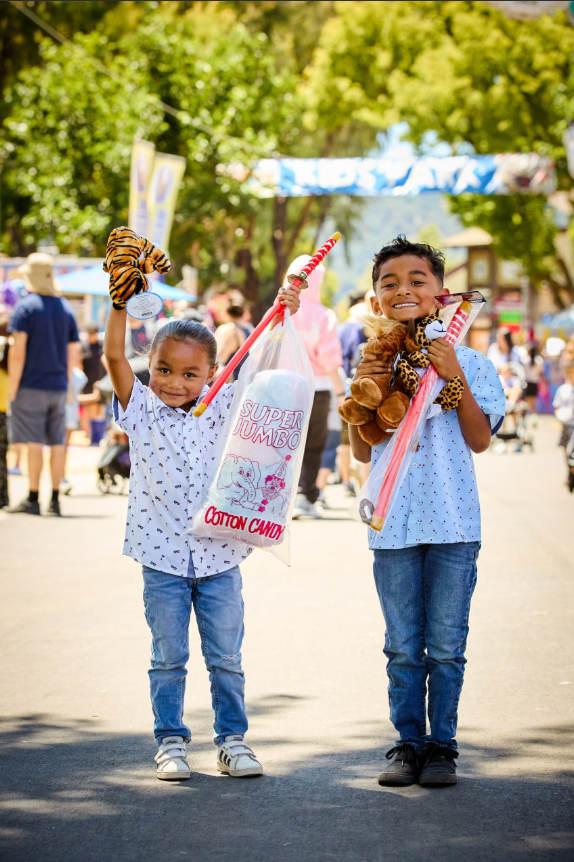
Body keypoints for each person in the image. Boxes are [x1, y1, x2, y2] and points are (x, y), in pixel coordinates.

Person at [104, 279, 301, 781]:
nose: (175, 381)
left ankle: (232, 742)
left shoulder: (226, 407)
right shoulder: (142, 409)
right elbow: (112, 358)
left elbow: (264, 363)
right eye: (164, 369)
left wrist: (283, 311)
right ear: (150, 367)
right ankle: (169, 742)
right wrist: (118, 304)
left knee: (226, 658)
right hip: (162, 560)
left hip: (220, 559)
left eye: (191, 373)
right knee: (167, 658)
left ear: (213, 373)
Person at [350, 235, 505, 787]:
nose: (404, 290)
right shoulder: (376, 361)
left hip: (454, 524)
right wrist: (364, 395)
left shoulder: (474, 363)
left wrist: (452, 372)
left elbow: (481, 439)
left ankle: (442, 746)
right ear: (376, 301)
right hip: (390, 522)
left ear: (442, 294)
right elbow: (361, 450)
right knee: (401, 645)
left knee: (444, 644)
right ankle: (406, 743)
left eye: (418, 280)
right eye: (389, 283)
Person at [7, 253, 80, 516]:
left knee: (34, 443)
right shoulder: (65, 308)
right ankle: (56, 499)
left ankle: (34, 498)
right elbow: (73, 351)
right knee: (58, 442)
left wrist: (13, 388)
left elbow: (18, 352)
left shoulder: (26, 307)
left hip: (30, 384)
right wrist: (68, 383)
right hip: (59, 385)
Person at [286, 254, 345, 519]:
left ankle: (282, 496)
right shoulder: (324, 315)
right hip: (318, 386)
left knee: (285, 441)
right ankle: (305, 496)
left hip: (283, 384)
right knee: (314, 442)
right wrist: (341, 391)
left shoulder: (282, 309)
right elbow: (329, 358)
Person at [214, 295, 252, 380]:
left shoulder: (228, 331)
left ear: (226, 311)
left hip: (229, 387)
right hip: (241, 383)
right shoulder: (249, 329)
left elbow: (218, 363)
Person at [553, 362, 574, 465]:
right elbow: (557, 406)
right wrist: (560, 416)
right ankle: (569, 471)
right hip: (567, 423)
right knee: (566, 448)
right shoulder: (563, 389)